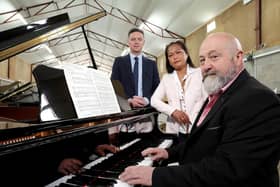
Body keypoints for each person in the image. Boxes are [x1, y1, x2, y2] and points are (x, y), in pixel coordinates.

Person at [118, 32, 280, 187]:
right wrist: (170, 153)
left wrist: (155, 176)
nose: (206, 66)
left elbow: (226, 170)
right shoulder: (220, 92)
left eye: (214, 57)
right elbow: (202, 140)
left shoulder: (256, 99)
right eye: (202, 60)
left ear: (238, 57)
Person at [109, 28, 160, 143]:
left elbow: (157, 88)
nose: (136, 42)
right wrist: (128, 101)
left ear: (143, 42)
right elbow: (114, 87)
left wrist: (147, 100)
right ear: (128, 42)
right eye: (133, 39)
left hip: (146, 115)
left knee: (147, 147)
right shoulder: (119, 61)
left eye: (139, 39)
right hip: (126, 116)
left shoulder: (151, 64)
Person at [151, 40, 207, 141]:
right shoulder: (167, 78)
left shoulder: (199, 73)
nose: (175, 57)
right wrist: (173, 111)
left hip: (199, 130)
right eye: (170, 55)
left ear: (186, 54)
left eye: (178, 52)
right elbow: (154, 100)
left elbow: (208, 101)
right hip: (176, 133)